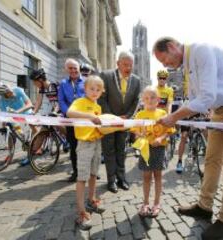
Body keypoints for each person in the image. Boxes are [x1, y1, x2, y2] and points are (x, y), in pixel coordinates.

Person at [153, 37, 223, 239]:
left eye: (164, 59)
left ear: (172, 47)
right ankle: (204, 206)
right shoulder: (187, 65)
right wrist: (178, 117)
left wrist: (174, 117)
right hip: (219, 110)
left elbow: (206, 97)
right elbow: (194, 99)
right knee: (211, 160)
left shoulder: (201, 51)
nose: (165, 65)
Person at [66, 76, 106, 230]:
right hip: (84, 144)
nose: (95, 92)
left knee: (93, 174)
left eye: (98, 89)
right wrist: (89, 116)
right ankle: (81, 212)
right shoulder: (80, 102)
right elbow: (69, 113)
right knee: (82, 177)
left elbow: (97, 124)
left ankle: (92, 200)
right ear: (85, 89)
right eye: (92, 89)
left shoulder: (98, 106)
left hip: (96, 142)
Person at [98, 51, 141, 193]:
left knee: (121, 151)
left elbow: (136, 101)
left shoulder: (136, 80)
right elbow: (101, 99)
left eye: (130, 65)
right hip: (109, 122)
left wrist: (128, 116)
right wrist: (114, 118)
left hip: (125, 122)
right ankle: (111, 180)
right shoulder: (106, 76)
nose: (128, 68)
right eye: (125, 65)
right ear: (118, 64)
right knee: (109, 151)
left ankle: (121, 178)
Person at [131, 86, 175, 217]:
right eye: (146, 98)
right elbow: (134, 132)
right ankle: (145, 203)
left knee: (158, 176)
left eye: (152, 97)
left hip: (159, 149)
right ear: (143, 100)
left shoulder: (162, 114)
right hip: (145, 149)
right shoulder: (139, 114)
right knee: (146, 176)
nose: (149, 100)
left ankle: (156, 203)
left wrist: (161, 138)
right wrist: (140, 135)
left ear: (158, 100)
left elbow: (169, 131)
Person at [0, 81, 37, 166]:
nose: (11, 93)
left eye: (10, 90)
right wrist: (4, 126)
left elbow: (30, 104)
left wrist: (19, 111)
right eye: (8, 93)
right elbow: (4, 115)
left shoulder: (18, 90)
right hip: (15, 115)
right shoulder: (1, 101)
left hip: (26, 111)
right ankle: (11, 154)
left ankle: (33, 150)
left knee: (33, 126)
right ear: (3, 94)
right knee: (11, 134)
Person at [58, 58, 85, 182]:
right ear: (66, 69)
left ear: (79, 68)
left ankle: (89, 172)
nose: (73, 70)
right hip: (70, 120)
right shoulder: (63, 84)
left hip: (85, 119)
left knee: (86, 147)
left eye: (75, 68)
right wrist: (68, 113)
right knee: (74, 147)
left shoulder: (86, 82)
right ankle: (76, 172)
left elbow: (91, 98)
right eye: (70, 68)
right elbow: (61, 101)